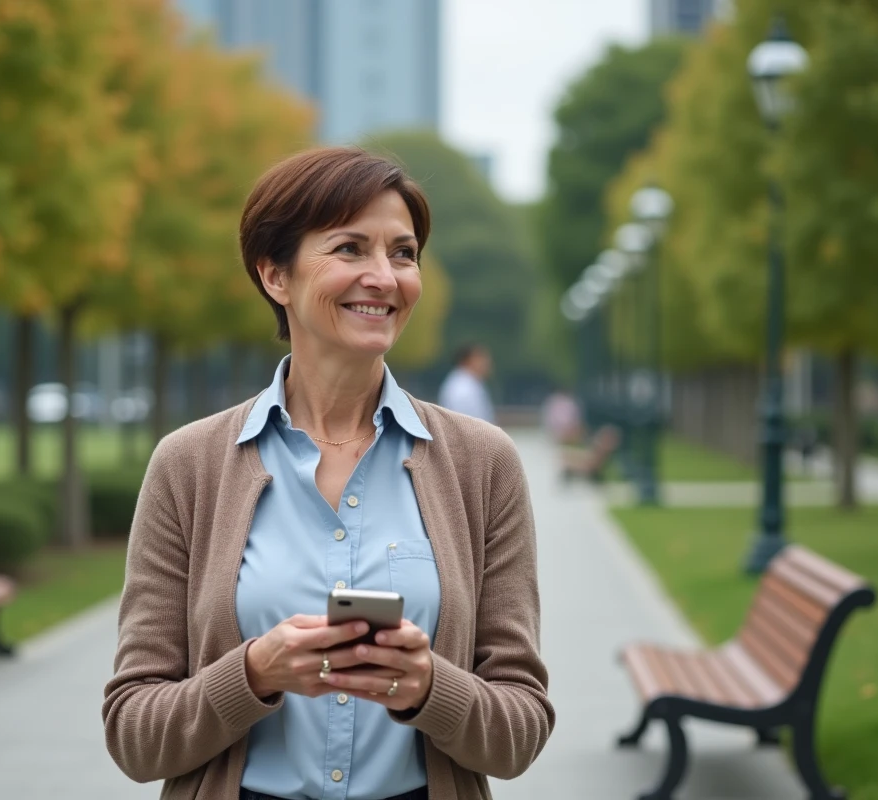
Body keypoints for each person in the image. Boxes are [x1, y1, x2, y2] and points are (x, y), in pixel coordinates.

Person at [103, 147, 553, 800]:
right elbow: (133, 736)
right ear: (274, 276)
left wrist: (430, 687)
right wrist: (254, 673)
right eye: (350, 249)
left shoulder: (484, 465)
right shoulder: (187, 465)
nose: (385, 276)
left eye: (403, 253)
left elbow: (522, 731)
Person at [435, 344, 495, 423]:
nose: (486, 362)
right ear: (467, 360)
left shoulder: (467, 382)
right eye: (481, 358)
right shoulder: (462, 388)